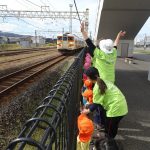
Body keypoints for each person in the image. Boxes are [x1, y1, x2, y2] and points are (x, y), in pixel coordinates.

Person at [81, 67, 128, 138]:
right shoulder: (103, 81)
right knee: (112, 126)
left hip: (115, 109)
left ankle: (108, 143)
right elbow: (98, 102)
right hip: (121, 105)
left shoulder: (97, 87)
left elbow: (96, 104)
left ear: (89, 78)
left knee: (109, 131)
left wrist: (87, 111)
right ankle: (108, 139)